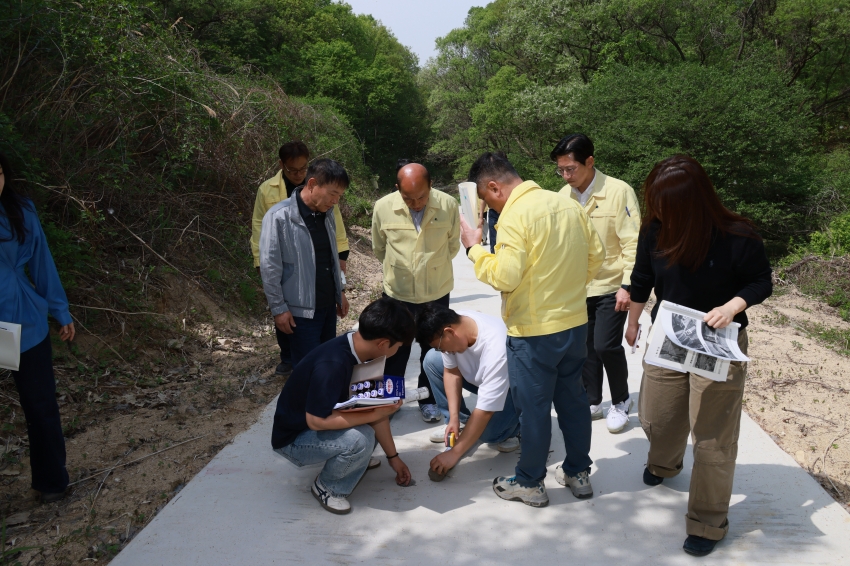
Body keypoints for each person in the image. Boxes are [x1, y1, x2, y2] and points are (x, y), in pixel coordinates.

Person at [624, 155, 772, 557]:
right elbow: (642, 277)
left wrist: (733, 306)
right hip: (670, 336)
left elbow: (760, 281)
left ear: (692, 202)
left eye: (666, 204)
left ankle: (708, 522)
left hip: (719, 343)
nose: (658, 211)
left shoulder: (737, 234)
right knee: (657, 416)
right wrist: (633, 321)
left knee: (712, 439)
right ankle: (664, 463)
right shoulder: (655, 230)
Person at [459, 152, 605, 507]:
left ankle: (529, 482)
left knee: (534, 409)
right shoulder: (567, 204)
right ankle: (578, 472)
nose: (488, 208)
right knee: (573, 401)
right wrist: (568, 290)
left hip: (533, 331)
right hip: (574, 323)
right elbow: (597, 256)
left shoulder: (514, 216)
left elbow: (505, 276)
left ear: (494, 187)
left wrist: (474, 250)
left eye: (486, 199)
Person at [271, 297, 413, 515]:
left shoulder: (360, 347)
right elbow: (315, 422)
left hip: (321, 420)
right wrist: (375, 413)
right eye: (399, 346)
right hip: (294, 439)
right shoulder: (333, 364)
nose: (399, 350)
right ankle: (328, 487)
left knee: (383, 407)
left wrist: (393, 457)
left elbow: (373, 409)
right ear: (383, 344)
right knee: (361, 439)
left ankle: (357, 459)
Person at [552, 134, 641, 433]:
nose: (566, 176)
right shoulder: (562, 196)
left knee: (606, 345)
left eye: (571, 169)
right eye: (561, 170)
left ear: (589, 161)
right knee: (585, 347)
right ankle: (592, 399)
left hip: (612, 284)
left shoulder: (618, 191)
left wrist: (627, 285)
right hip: (578, 287)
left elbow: (633, 242)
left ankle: (621, 400)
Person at [0, 152, 75, 503]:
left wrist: (60, 311)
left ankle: (50, 482)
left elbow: (43, 263)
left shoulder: (21, 211)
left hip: (19, 322)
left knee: (38, 402)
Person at [251, 141, 350, 375]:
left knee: (326, 365)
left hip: (327, 306)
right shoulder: (278, 217)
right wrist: (278, 309)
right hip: (300, 312)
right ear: (312, 184)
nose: (336, 201)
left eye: (339, 196)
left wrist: (340, 291)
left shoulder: (327, 214)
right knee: (307, 370)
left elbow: (331, 258)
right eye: (333, 194)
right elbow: (270, 266)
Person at [372, 162, 460, 423]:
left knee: (433, 348)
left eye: (421, 197)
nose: (416, 203)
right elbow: (379, 248)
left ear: (430, 186)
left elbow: (453, 245)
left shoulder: (447, 204)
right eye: (408, 198)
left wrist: (431, 268)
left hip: (436, 290)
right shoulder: (383, 207)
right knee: (394, 348)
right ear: (397, 189)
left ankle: (428, 399)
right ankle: (391, 400)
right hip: (398, 292)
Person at [415, 305, 521, 478]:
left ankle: (515, 428)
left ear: (449, 332)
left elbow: (485, 411)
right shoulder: (452, 324)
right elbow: (451, 372)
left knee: (489, 435)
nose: (444, 352)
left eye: (441, 347)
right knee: (432, 360)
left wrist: (454, 454)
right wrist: (454, 417)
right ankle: (462, 424)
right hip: (484, 379)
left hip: (512, 389)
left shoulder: (497, 346)